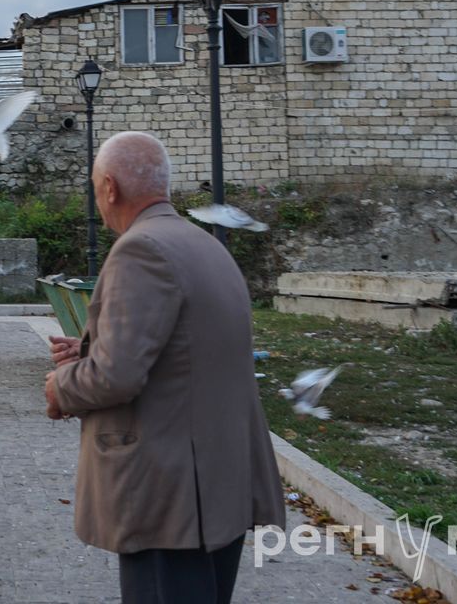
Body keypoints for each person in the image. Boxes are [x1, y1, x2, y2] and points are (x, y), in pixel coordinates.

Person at [44, 131, 283, 604]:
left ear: (109, 187)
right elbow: (188, 351)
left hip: (167, 492)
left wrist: (60, 386)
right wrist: (91, 349)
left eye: (96, 189)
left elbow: (117, 377)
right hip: (215, 484)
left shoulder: (140, 249)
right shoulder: (204, 244)